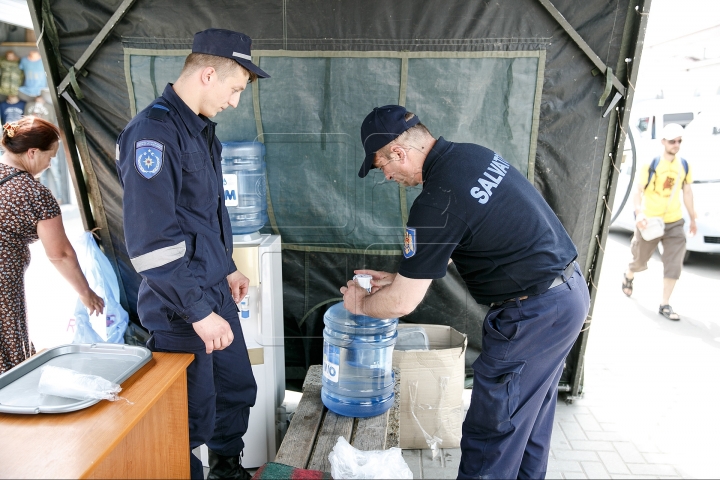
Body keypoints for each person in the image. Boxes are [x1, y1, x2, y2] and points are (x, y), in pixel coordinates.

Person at [341, 105, 590, 479]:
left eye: (381, 167)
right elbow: (482, 233)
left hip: (534, 314)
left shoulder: (436, 202)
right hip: (565, 295)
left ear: (398, 152)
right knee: (528, 423)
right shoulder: (473, 156)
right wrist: (400, 276)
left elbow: (402, 303)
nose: (387, 176)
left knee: (492, 433)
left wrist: (360, 304)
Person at [116, 28, 270, 480]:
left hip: (212, 292)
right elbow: (151, 243)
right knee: (187, 420)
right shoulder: (153, 134)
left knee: (235, 391)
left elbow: (202, 215)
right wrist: (200, 312)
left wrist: (227, 269)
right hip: (180, 308)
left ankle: (227, 471)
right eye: (235, 89)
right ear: (208, 74)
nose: (235, 101)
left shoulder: (199, 130)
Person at [0, 116, 104, 374]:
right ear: (32, 152)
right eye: (51, 156)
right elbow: (60, 254)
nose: (50, 164)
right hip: (3, 290)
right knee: (9, 366)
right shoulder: (33, 193)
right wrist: (85, 292)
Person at [621, 123, 696, 321]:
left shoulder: (684, 165)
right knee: (639, 259)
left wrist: (693, 218)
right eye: (672, 141)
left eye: (679, 141)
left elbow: (687, 192)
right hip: (650, 220)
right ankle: (629, 274)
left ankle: (665, 303)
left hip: (674, 221)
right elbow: (638, 190)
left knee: (674, 263)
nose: (676, 145)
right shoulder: (651, 164)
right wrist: (639, 214)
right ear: (663, 141)